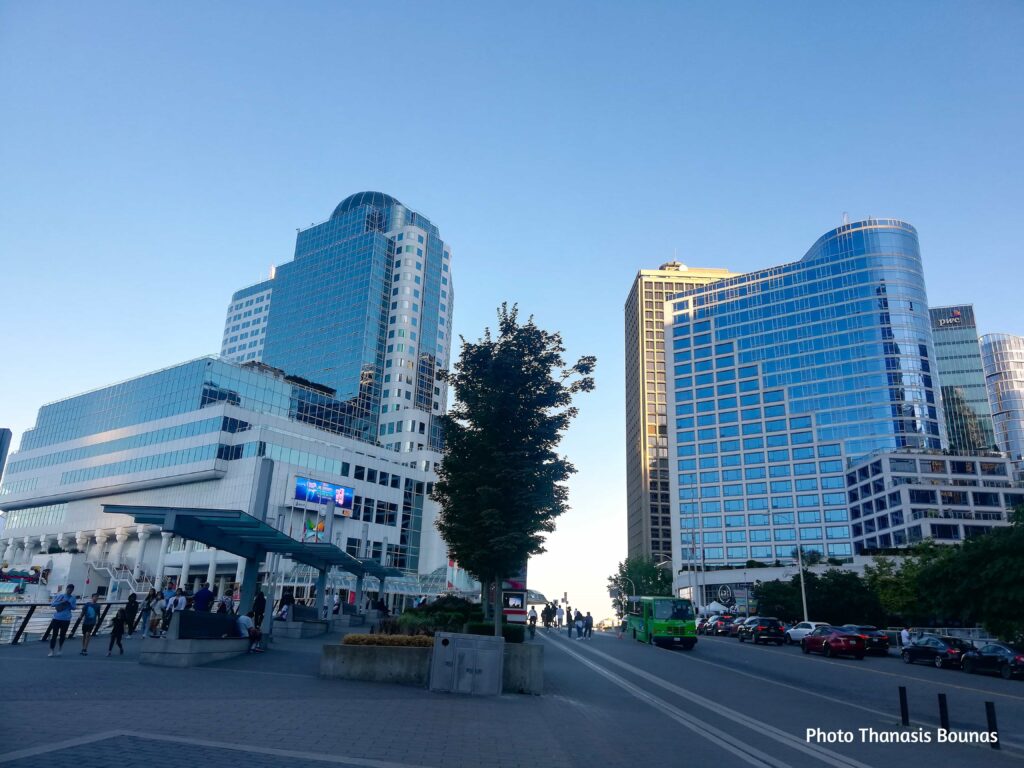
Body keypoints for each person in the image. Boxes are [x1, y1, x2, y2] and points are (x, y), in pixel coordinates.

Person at [47, 584, 77, 657]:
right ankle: (51, 650)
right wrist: (61, 602)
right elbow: (52, 604)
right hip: (57, 618)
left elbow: (74, 608)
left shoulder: (73, 598)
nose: (70, 591)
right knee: (54, 634)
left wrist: (68, 603)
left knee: (62, 635)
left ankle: (60, 649)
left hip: (66, 618)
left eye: (71, 590)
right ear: (66, 589)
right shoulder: (60, 596)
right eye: (69, 589)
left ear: (73, 590)